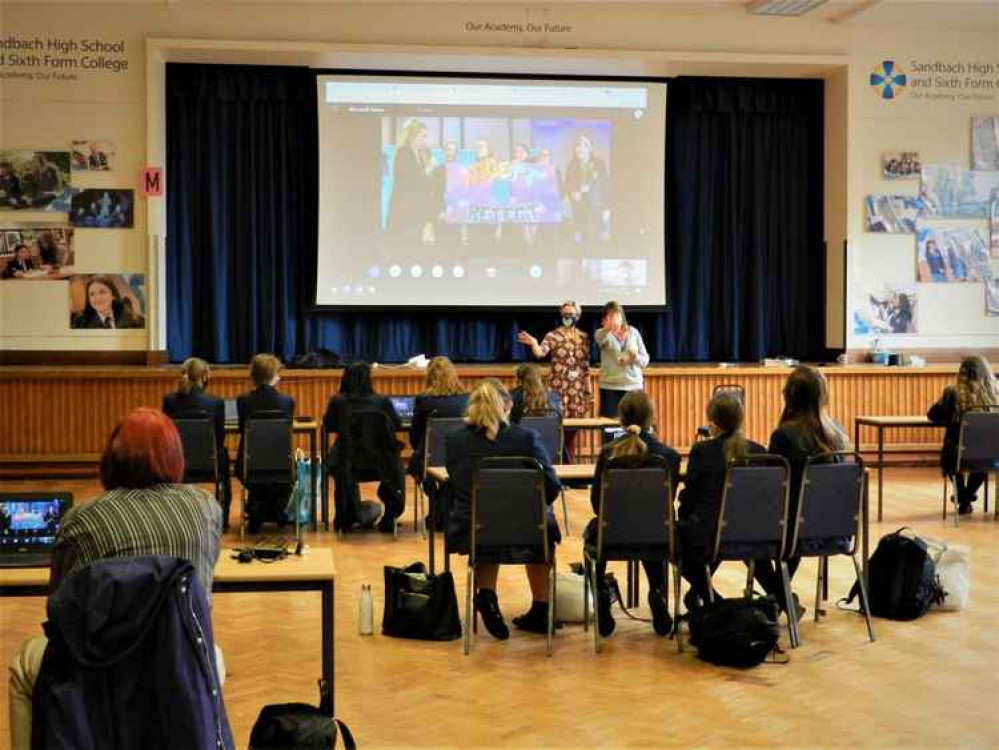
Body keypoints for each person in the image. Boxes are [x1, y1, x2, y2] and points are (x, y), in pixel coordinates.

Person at [8, 408, 223, 750]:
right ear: (176, 457)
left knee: (23, 665)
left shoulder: (79, 521)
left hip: (97, 671)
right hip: (179, 660)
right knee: (214, 654)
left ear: (111, 458)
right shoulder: (205, 509)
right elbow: (201, 592)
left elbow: (60, 613)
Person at [445, 380, 562, 638]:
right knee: (543, 525)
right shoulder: (527, 439)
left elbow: (456, 483)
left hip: (474, 527)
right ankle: (542, 607)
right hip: (528, 529)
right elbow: (552, 486)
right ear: (508, 406)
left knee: (487, 520)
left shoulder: (454, 441)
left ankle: (486, 595)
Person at [752, 365, 849, 616]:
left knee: (745, 535)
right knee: (796, 516)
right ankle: (781, 598)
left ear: (790, 396)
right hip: (835, 529)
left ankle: (780, 598)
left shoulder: (784, 436)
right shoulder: (838, 434)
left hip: (794, 530)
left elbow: (770, 485)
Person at [585, 391, 680, 637]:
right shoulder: (669, 456)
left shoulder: (608, 453)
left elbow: (598, 504)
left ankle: (602, 592)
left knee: (597, 531)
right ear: (652, 417)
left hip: (613, 535)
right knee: (651, 526)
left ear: (621, 419)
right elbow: (665, 503)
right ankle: (657, 592)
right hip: (656, 536)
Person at [678, 392, 765, 609]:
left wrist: (685, 517)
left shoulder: (702, 451)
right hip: (749, 532)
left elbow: (689, 498)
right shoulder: (759, 452)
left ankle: (713, 602)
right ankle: (781, 598)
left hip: (708, 533)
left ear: (713, 423)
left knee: (677, 543)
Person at [324, 361, 404, 532]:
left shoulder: (337, 401)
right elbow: (397, 424)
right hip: (380, 464)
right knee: (395, 464)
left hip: (348, 463)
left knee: (340, 464)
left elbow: (328, 425)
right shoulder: (382, 401)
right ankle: (390, 517)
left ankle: (345, 517)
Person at [162, 357, 232, 528]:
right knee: (222, 452)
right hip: (209, 462)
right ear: (206, 377)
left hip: (179, 462)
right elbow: (219, 437)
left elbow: (168, 434)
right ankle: (224, 519)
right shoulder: (215, 403)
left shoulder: (170, 401)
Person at [517, 301, 592, 457]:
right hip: (558, 388)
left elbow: (586, 367)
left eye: (571, 314)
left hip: (577, 391)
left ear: (577, 316)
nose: (567, 317)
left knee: (572, 432)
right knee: (556, 429)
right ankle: (557, 462)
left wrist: (588, 392)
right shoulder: (552, 336)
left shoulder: (584, 338)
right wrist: (534, 343)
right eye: (564, 314)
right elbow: (540, 353)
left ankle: (568, 462)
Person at [928, 355, 999, 514]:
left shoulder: (953, 394)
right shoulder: (996, 394)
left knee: (953, 450)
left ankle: (963, 496)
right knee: (982, 455)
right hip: (991, 457)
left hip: (957, 456)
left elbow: (933, 415)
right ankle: (967, 496)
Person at [236, 353, 295, 533]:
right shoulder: (287, 402)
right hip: (281, 464)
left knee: (259, 474)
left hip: (249, 464)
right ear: (274, 375)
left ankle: (259, 507)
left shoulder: (243, 401)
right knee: (277, 474)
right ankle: (275, 508)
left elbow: (242, 430)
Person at [409, 356, 468, 475]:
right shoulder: (466, 399)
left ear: (429, 376)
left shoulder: (424, 400)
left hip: (429, 459)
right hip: (460, 459)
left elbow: (415, 437)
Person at [385, 119, 437, 246]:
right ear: (413, 137)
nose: (425, 140)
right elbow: (412, 182)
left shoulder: (422, 154)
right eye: (422, 136)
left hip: (417, 213)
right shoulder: (404, 153)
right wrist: (429, 168)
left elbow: (427, 185)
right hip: (404, 213)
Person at [594, 301, 650, 418]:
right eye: (611, 315)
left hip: (633, 385)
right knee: (610, 426)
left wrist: (635, 357)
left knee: (634, 424)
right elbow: (601, 341)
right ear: (605, 319)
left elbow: (645, 360)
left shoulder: (633, 332)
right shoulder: (601, 333)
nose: (615, 318)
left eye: (617, 315)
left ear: (622, 316)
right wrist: (608, 330)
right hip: (610, 387)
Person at [562, 132, 610, 245]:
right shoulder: (572, 164)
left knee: (597, 237)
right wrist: (572, 193)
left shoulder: (599, 163)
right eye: (577, 145)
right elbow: (567, 185)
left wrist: (607, 208)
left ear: (590, 149)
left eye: (584, 145)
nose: (580, 148)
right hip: (579, 205)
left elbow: (605, 186)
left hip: (596, 205)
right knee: (582, 236)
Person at [71, 275, 145, 329]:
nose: (97, 298)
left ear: (113, 295)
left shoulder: (135, 319)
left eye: (102, 292)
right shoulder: (80, 323)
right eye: (92, 294)